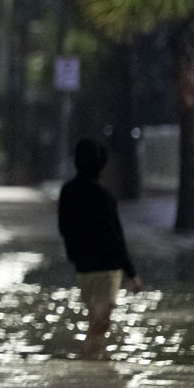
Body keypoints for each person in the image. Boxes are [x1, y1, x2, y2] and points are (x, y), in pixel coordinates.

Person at [58, 138, 141, 360]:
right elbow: (116, 236)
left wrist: (74, 255)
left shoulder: (68, 192)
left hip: (84, 268)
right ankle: (89, 363)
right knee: (100, 322)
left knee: (97, 319)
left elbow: (64, 228)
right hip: (106, 268)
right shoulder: (104, 197)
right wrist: (131, 273)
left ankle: (91, 363)